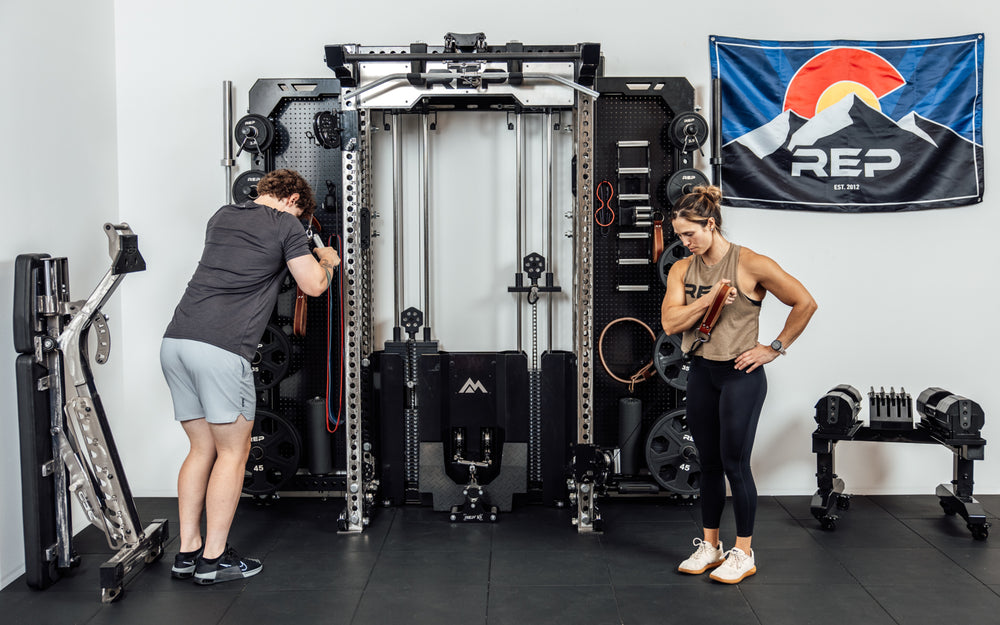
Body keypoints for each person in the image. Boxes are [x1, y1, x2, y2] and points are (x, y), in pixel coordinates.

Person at [160, 169, 340, 585]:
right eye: (301, 211)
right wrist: (327, 261)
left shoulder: (221, 216)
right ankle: (213, 560)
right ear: (294, 199)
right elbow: (313, 287)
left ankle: (187, 552)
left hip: (177, 341)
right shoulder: (287, 225)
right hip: (221, 351)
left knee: (200, 449)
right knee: (233, 454)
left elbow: (250, 268)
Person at [660, 185, 817, 584]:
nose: (685, 242)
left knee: (735, 464)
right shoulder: (681, 269)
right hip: (701, 373)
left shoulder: (750, 263)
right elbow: (670, 323)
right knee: (707, 463)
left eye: (690, 234)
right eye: (679, 236)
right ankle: (710, 546)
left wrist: (774, 348)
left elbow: (805, 302)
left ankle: (743, 551)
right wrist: (706, 300)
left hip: (740, 376)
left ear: (710, 225)